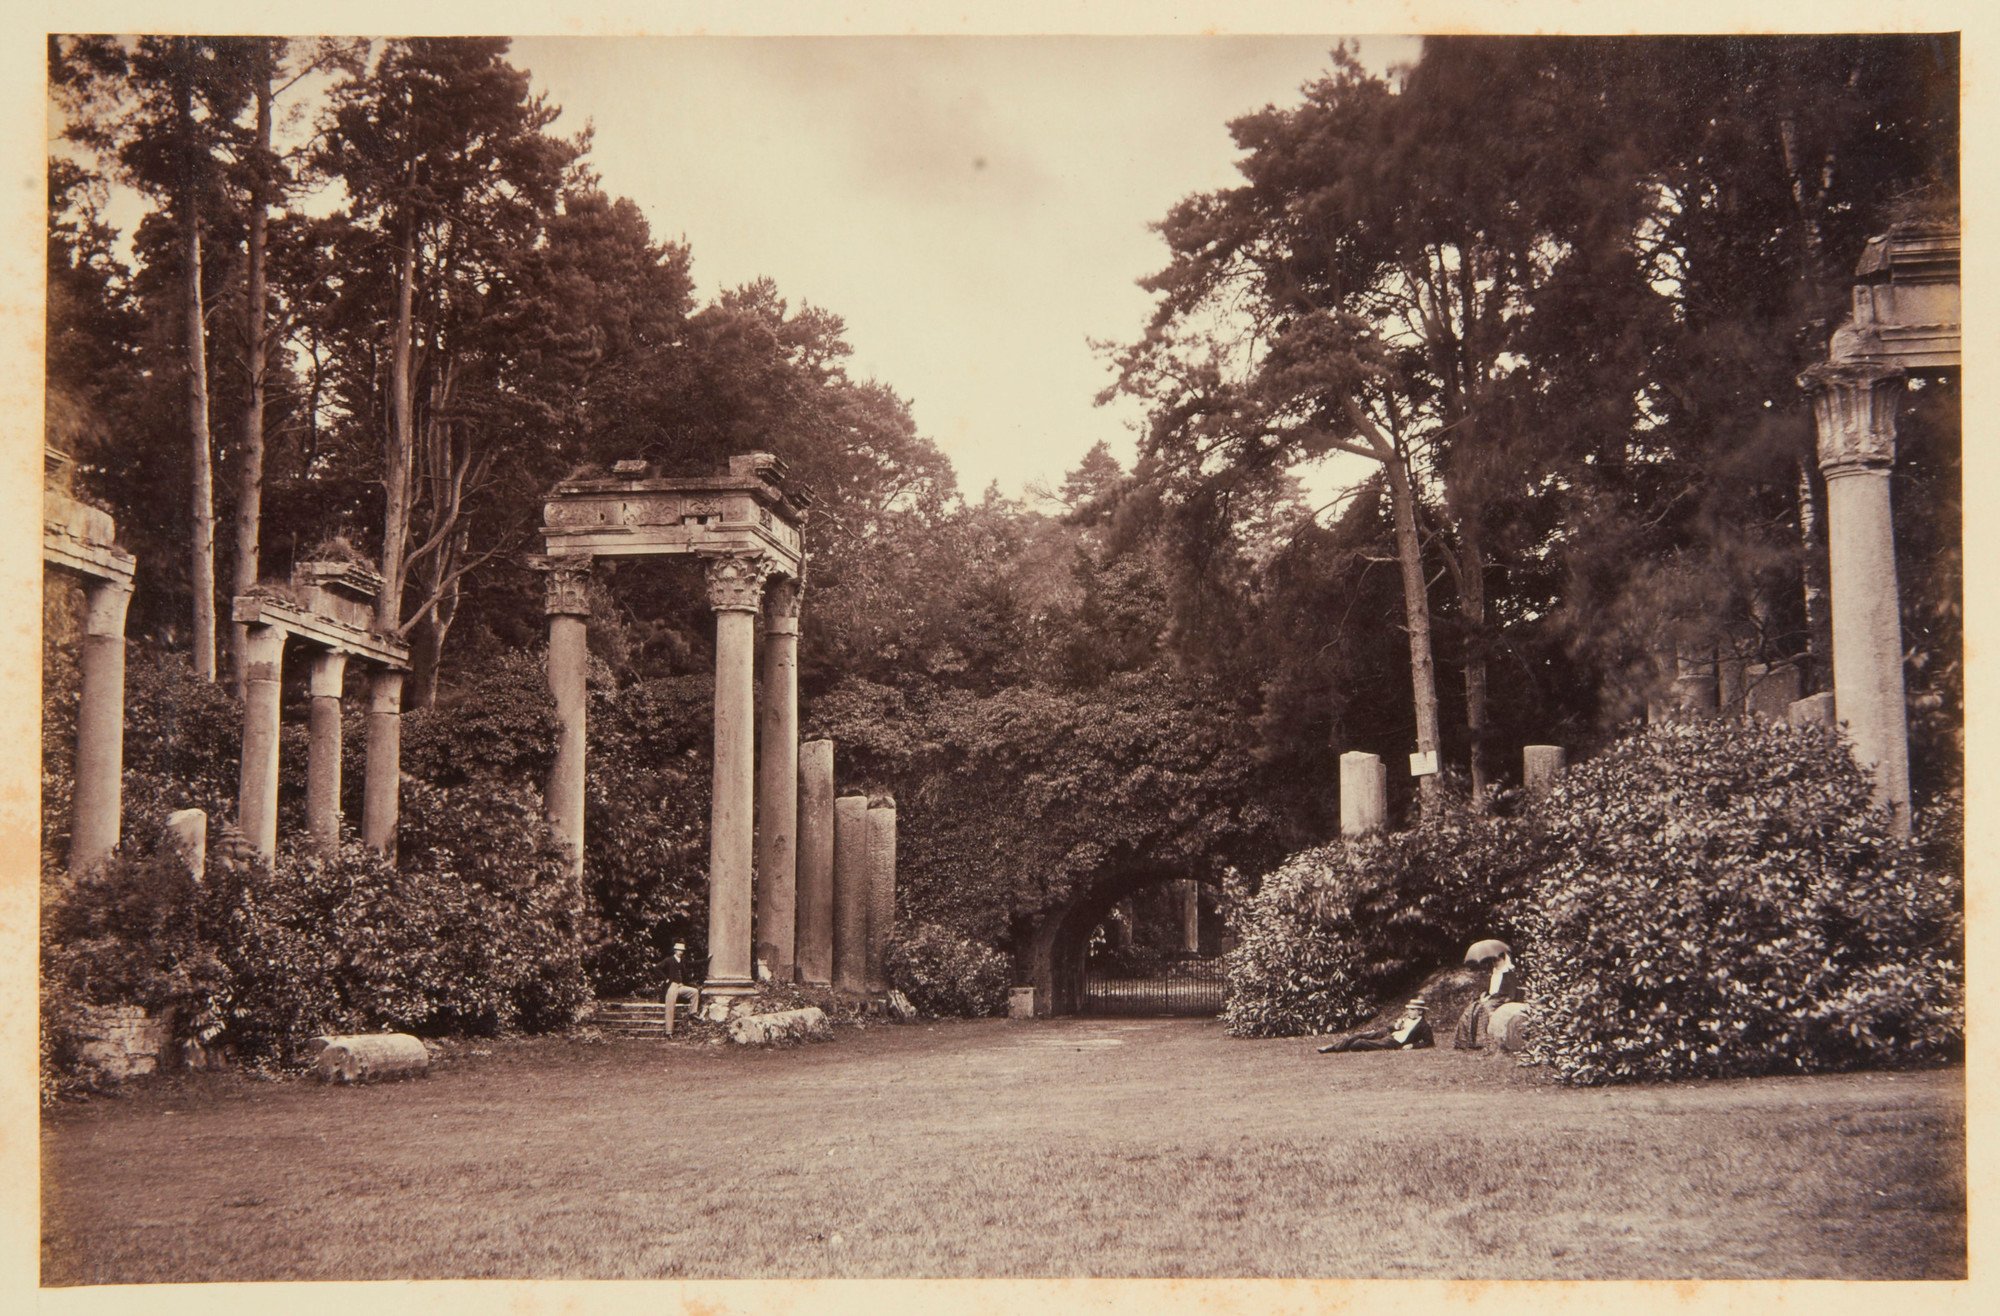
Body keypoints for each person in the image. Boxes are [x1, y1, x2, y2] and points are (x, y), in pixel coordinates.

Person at [1454, 941, 1522, 1050]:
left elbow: (1513, 991)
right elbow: (1490, 990)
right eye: (1493, 961)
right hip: (1493, 998)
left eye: (1497, 960)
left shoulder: (1509, 974)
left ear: (1504, 959)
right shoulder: (1495, 973)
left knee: (1483, 1009)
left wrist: (1504, 1000)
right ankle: (1465, 1041)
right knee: (1471, 1008)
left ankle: (1483, 1041)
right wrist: (1484, 994)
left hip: (1503, 999)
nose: (1495, 963)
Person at [1318, 998, 1434, 1053]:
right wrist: (1396, 1025)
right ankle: (1332, 1048)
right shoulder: (1405, 1018)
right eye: (1409, 1009)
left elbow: (1429, 1043)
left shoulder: (1423, 1026)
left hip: (1395, 1042)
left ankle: (1349, 1047)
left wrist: (1412, 1046)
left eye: (1413, 1010)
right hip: (1387, 1033)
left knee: (1360, 1042)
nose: (1409, 1012)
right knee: (1357, 1035)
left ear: (1420, 1011)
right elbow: (1389, 1027)